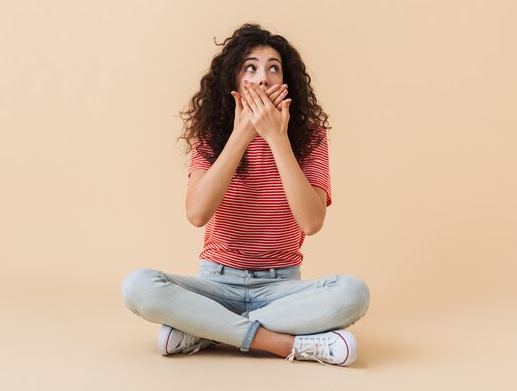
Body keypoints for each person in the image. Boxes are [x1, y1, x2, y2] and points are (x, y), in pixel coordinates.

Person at [121, 23, 370, 367]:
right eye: (250, 68)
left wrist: (278, 140)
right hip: (216, 285)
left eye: (273, 68)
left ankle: (206, 329)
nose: (263, 78)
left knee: (353, 294)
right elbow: (196, 214)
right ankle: (281, 343)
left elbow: (312, 222)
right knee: (138, 286)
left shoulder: (309, 137)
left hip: (280, 287)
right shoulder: (212, 136)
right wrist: (241, 136)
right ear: (235, 82)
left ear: (286, 83)